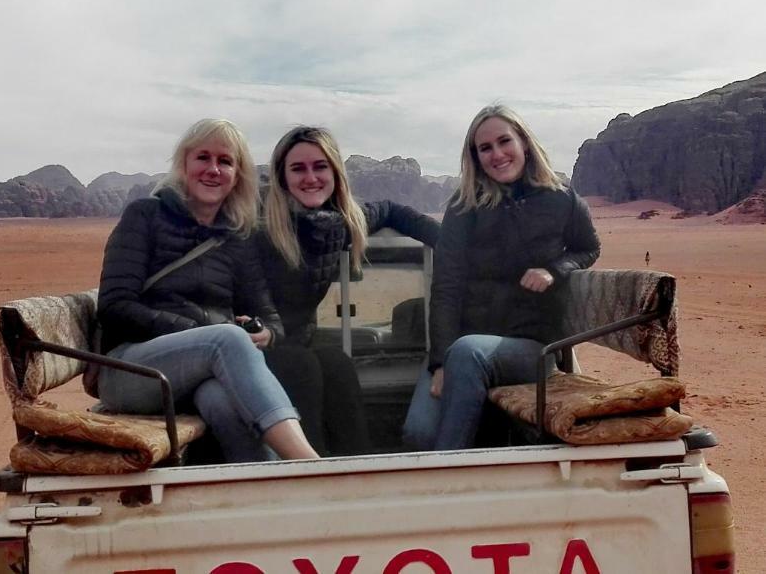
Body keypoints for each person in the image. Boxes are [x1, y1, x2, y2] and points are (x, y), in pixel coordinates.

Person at [96, 118, 319, 463]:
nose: (213, 170)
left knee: (222, 400)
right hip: (131, 371)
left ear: (237, 175)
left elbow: (270, 317)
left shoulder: (237, 237)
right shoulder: (144, 216)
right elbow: (114, 307)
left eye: (225, 161)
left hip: (199, 373)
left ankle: (266, 496)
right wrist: (205, 334)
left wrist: (264, 333)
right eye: (203, 158)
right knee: (226, 339)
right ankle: (308, 464)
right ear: (184, 164)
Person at [402, 105, 600, 452]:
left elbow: (588, 248)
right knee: (420, 433)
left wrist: (554, 271)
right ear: (475, 157)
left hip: (531, 347)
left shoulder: (561, 199)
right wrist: (439, 365)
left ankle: (444, 491)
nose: (497, 154)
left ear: (523, 142)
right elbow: (446, 287)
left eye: (503, 141)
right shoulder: (464, 207)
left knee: (467, 354)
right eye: (485, 148)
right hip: (464, 345)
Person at [258, 125, 441, 456]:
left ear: (335, 173)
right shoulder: (259, 224)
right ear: (282, 177)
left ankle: (358, 472)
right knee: (303, 367)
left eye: (320, 166)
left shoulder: (338, 224)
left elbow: (390, 210)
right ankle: (309, 478)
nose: (310, 177)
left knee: (337, 363)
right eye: (297, 168)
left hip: (297, 343)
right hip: (253, 346)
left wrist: (448, 243)